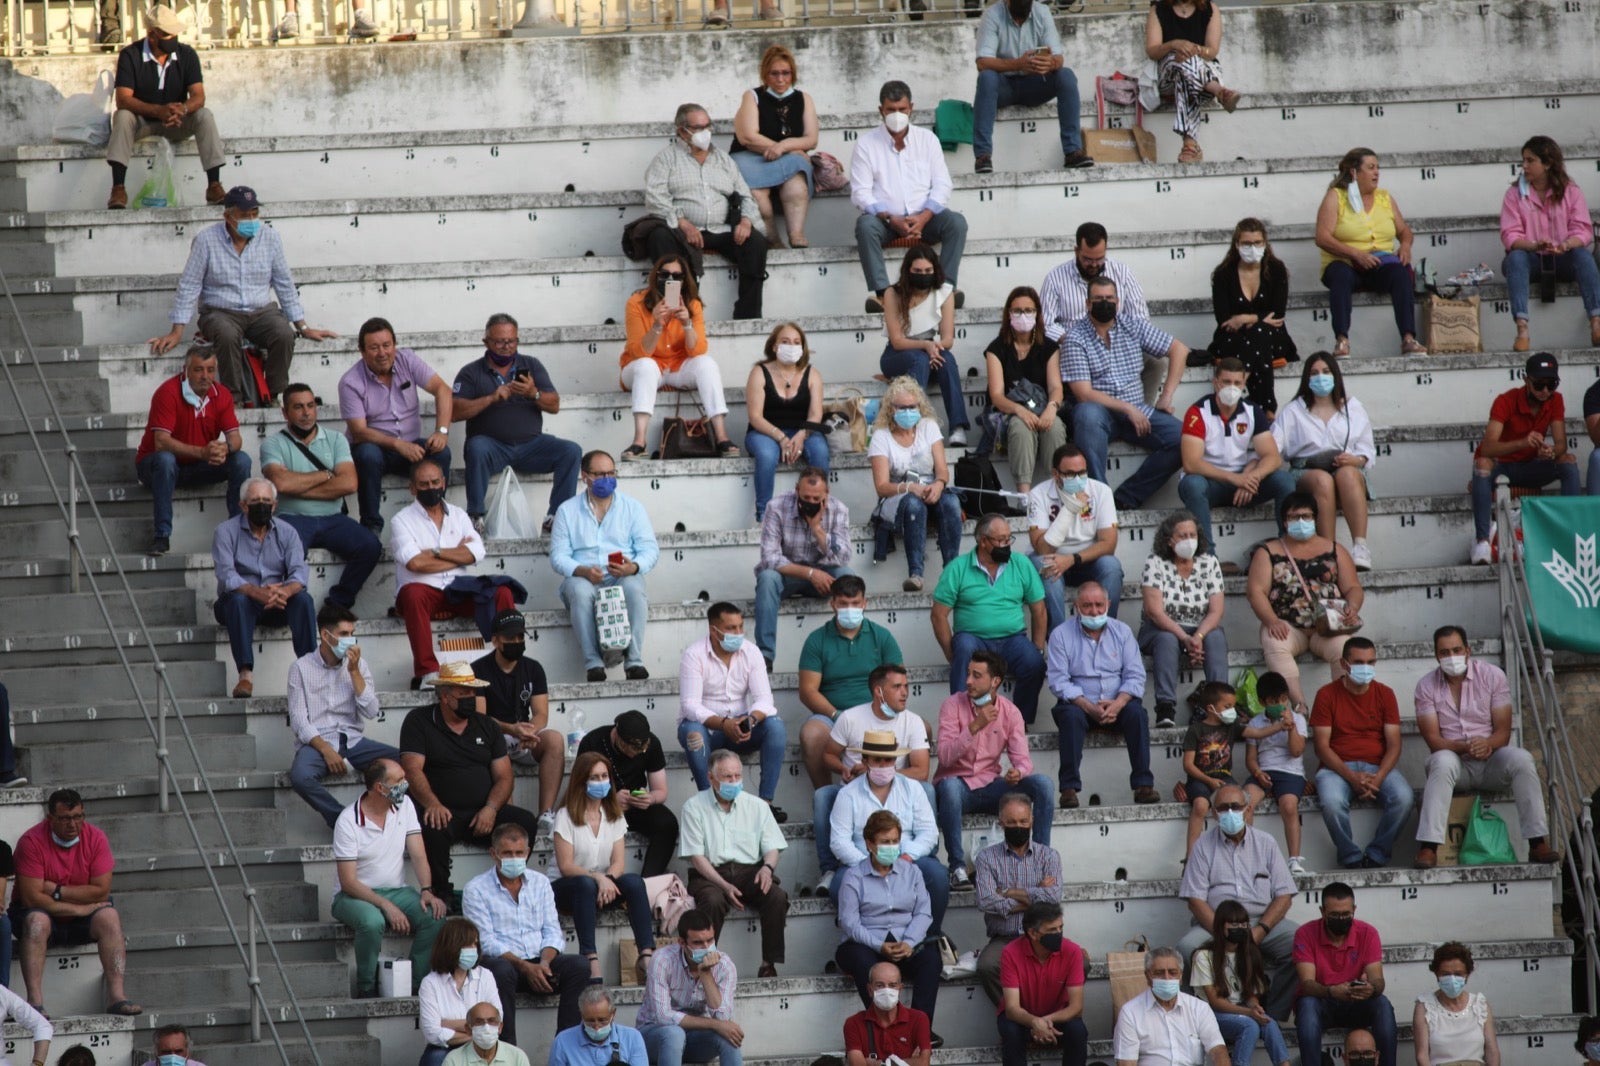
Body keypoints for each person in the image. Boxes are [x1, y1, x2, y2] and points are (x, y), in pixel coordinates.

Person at [147, 186, 336, 400]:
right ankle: (233, 398)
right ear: (228, 216)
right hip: (219, 312)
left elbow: (284, 283)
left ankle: (274, 394)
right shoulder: (206, 240)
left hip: (261, 312)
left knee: (283, 335)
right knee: (227, 336)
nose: (251, 220)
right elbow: (189, 285)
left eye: (255, 214)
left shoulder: (270, 238)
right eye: (245, 215)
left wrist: (302, 326)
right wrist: (176, 331)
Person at [1414, 625, 1557, 867]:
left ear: (1468, 650)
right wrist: (1465, 747)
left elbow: (1503, 731)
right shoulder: (1426, 686)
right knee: (1441, 760)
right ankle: (1428, 848)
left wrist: (1486, 744)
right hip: (1456, 764)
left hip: (1491, 760)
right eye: (1445, 652)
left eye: (1457, 649)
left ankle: (1537, 842)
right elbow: (1433, 740)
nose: (1451, 657)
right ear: (1437, 655)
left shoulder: (1493, 676)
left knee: (1522, 759)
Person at [399, 662, 540, 902]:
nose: (471, 698)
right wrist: (432, 803)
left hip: (482, 812)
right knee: (432, 823)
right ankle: (440, 895)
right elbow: (412, 770)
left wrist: (491, 808)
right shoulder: (418, 721)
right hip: (443, 811)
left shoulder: (487, 726)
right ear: (445, 696)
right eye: (464, 693)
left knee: (524, 821)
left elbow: (505, 776)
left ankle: (511, 885)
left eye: (473, 692)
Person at [1063, 276, 1191, 509]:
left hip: (1136, 411)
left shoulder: (1132, 325)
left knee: (1183, 440)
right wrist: (1128, 408)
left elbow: (1179, 350)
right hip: (1100, 412)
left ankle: (1125, 499)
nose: (1105, 303)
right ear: (1087, 304)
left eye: (1109, 298)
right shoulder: (1075, 337)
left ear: (1118, 301)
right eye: (1098, 299)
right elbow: (1083, 393)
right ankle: (1100, 501)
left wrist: (1166, 396)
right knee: (1086, 414)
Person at [1175, 783, 1299, 1018]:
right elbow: (1195, 900)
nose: (1230, 813)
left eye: (1235, 807)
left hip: (1261, 921)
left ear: (1248, 809)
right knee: (1186, 949)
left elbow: (1284, 895)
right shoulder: (1202, 846)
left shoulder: (1266, 843)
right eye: (1223, 808)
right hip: (1216, 924)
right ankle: (1198, 1019)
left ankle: (1273, 1014)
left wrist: (1260, 931)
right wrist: (1225, 933)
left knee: (1300, 944)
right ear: (1213, 813)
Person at [451, 313, 581, 535]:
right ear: (486, 342)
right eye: (499, 341)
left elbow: (555, 405)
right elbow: (454, 412)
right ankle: (475, 516)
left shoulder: (531, 365)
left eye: (511, 341)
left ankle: (555, 517)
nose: (506, 347)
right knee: (476, 446)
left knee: (571, 451)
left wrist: (534, 393)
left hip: (531, 446)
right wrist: (491, 398)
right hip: (493, 448)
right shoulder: (471, 372)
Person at [10, 789, 136, 1017]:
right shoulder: (31, 841)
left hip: (73, 915)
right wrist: (77, 907)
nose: (73, 824)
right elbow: (31, 897)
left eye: (78, 817)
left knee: (109, 916)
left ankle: (117, 997)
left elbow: (101, 890)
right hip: (39, 915)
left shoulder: (96, 837)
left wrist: (56, 890)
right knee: (37, 921)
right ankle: (35, 1002)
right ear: (50, 819)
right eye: (65, 818)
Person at [463, 823, 591, 1047]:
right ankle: (507, 1050)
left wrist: (543, 963)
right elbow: (485, 942)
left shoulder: (540, 883)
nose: (514, 858)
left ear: (528, 852)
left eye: (519, 853)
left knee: (579, 965)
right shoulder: (476, 889)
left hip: (540, 963)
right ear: (494, 854)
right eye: (507, 853)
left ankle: (566, 1047)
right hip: (506, 964)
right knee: (500, 971)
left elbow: (552, 930)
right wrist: (524, 966)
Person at [390, 460, 516, 688]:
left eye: (436, 482)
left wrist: (435, 553)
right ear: (412, 488)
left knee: (502, 592)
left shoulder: (458, 515)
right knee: (412, 594)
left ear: (444, 482)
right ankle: (428, 671)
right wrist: (457, 553)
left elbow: (476, 553)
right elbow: (415, 563)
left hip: (458, 590)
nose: (431, 488)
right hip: (424, 593)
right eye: (424, 484)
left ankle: (508, 660)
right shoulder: (401, 520)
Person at [934, 652, 1054, 887]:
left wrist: (1018, 772)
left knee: (1043, 784)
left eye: (976, 676)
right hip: (958, 786)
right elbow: (945, 757)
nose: (968, 680)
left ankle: (1040, 861)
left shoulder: (1010, 712)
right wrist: (975, 726)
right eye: (968, 674)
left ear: (995, 681)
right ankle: (957, 867)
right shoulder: (951, 706)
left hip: (992, 785)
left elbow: (1023, 760)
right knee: (948, 787)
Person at [330, 760, 446, 998]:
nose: (406, 784)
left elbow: (418, 853)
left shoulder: (405, 806)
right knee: (372, 922)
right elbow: (348, 882)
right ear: (380, 788)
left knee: (434, 916)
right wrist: (385, 905)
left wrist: (426, 889)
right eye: (399, 781)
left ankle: (416, 985)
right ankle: (367, 988)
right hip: (352, 895)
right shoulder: (347, 821)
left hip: (397, 891)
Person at [261, 383, 382, 607]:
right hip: (291, 518)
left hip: (333, 518)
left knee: (370, 546)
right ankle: (287, 608)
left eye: (310, 405)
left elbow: (349, 483)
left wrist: (299, 485)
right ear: (285, 412)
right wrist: (326, 474)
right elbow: (281, 483)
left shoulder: (336, 440)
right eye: (298, 407)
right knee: (285, 554)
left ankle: (338, 604)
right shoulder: (273, 443)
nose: (306, 412)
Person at [643, 105, 769, 321]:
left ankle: (748, 315)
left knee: (755, 243)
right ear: (682, 131)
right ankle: (675, 309)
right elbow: (655, 197)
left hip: (721, 229)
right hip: (683, 230)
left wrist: (747, 221)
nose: (705, 132)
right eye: (698, 127)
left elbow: (745, 195)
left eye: (707, 126)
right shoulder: (666, 159)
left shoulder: (723, 159)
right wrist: (682, 222)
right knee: (660, 238)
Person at [850, 80, 967, 310]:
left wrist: (923, 217)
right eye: (891, 110)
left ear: (911, 108)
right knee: (865, 226)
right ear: (880, 110)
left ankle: (945, 290)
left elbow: (943, 185)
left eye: (902, 109)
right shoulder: (866, 144)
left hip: (926, 218)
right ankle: (884, 295)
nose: (897, 115)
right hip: (885, 221)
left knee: (956, 223)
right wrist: (890, 218)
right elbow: (860, 193)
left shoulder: (928, 140)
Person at [814, 664, 932, 886]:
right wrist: (845, 769)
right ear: (879, 692)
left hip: (898, 786)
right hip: (853, 789)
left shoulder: (913, 721)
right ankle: (829, 870)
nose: (905, 692)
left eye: (906, 686)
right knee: (823, 796)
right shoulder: (850, 717)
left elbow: (922, 771)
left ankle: (925, 855)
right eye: (897, 687)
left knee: (926, 789)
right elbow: (829, 755)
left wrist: (882, 770)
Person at [1245, 491, 1364, 708]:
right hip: (1287, 625)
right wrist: (1271, 620)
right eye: (1294, 517)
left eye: (1306, 516)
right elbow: (1256, 592)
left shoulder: (1334, 549)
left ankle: (1342, 706)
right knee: (1274, 643)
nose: (1301, 521)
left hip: (1328, 626)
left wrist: (1352, 607)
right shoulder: (1268, 551)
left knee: (1345, 649)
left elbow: (1353, 587)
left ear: (1315, 518)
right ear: (1284, 520)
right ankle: (1300, 704)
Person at [337, 318, 454, 534]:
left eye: (387, 345)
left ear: (394, 345)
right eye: (374, 347)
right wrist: (398, 445)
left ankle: (437, 517)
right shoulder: (350, 381)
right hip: (375, 448)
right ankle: (371, 526)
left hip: (410, 448)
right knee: (367, 455)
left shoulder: (407, 359)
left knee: (441, 453)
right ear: (362, 351)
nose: (382, 352)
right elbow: (359, 432)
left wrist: (441, 431)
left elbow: (442, 389)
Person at [1046, 582, 1158, 808]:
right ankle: (1068, 789)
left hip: (1118, 702)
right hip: (1079, 705)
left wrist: (1119, 703)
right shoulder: (1060, 635)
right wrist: (1089, 707)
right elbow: (1058, 681)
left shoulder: (1122, 631)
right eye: (1087, 606)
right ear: (1076, 606)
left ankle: (1143, 785)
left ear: (1108, 604)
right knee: (1069, 716)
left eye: (1099, 605)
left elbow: (1135, 675)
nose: (1094, 611)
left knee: (1137, 714)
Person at [548, 752, 657, 984]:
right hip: (567, 887)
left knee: (634, 882)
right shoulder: (565, 815)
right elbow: (566, 866)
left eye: (604, 776)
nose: (601, 782)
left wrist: (607, 879)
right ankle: (589, 956)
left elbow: (618, 862)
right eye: (594, 777)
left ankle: (646, 955)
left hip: (600, 885)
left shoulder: (614, 815)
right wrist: (598, 878)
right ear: (581, 781)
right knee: (585, 883)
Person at [679, 751, 789, 978]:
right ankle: (705, 965)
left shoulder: (757, 806)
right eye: (727, 777)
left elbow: (772, 847)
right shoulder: (693, 807)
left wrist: (768, 868)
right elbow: (696, 857)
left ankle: (768, 963)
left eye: (737, 776)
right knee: (712, 900)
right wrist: (724, 885)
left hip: (749, 871)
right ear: (711, 778)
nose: (734, 782)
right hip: (710, 873)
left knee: (776, 896)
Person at [286, 602, 397, 828]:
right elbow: (299, 719)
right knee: (300, 776)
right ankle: (343, 821)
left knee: (408, 761)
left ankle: (395, 819)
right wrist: (326, 750)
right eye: (344, 634)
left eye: (352, 634)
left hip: (354, 741)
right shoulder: (300, 667)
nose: (350, 640)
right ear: (326, 635)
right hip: (318, 743)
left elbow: (372, 710)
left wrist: (354, 672)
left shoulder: (359, 665)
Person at [550, 450, 658, 682]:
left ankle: (634, 661)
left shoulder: (633, 508)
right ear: (585, 476)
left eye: (610, 473)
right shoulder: (567, 510)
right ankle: (593, 663)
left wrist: (634, 567)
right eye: (599, 475)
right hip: (584, 577)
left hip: (621, 574)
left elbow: (650, 549)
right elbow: (558, 556)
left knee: (635, 588)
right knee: (579, 590)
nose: (606, 479)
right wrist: (583, 571)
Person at [133, 346, 250, 556]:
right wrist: (203, 453)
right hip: (156, 466)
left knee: (241, 460)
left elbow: (235, 438)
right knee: (165, 460)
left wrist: (225, 447)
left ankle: (239, 533)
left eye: (210, 370)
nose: (205, 376)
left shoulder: (221, 394)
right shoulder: (168, 392)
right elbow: (161, 442)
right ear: (185, 370)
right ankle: (161, 535)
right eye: (198, 370)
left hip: (196, 466)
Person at [933, 513, 1048, 724]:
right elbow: (939, 615)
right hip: (973, 639)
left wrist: (1038, 648)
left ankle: (1019, 723)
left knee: (1035, 663)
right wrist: (953, 655)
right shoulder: (957, 568)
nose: (1007, 545)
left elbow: (1039, 609)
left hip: (1014, 639)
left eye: (1009, 538)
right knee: (965, 648)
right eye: (1001, 540)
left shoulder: (1021, 563)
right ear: (983, 541)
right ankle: (962, 723)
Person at [618, 256, 738, 459]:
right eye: (664, 274)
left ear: (684, 280)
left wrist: (687, 324)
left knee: (707, 364)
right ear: (655, 276)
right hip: (643, 368)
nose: (669, 279)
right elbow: (639, 352)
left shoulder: (693, 305)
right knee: (646, 365)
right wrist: (657, 324)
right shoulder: (636, 303)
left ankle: (721, 437)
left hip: (677, 368)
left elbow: (697, 351)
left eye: (676, 276)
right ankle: (639, 441)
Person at [828, 731, 947, 934]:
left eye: (889, 760)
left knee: (938, 875)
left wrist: (908, 857)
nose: (883, 765)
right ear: (864, 760)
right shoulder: (847, 794)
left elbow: (928, 833)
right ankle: (862, 939)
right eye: (877, 760)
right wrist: (868, 864)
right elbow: (839, 841)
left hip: (908, 859)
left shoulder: (913, 789)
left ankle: (930, 936)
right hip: (863, 860)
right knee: (839, 884)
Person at [107, 5, 225, 209]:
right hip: (142, 122)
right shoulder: (130, 54)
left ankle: (214, 185)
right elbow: (123, 99)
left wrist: (183, 109)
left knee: (204, 115)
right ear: (152, 35)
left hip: (176, 121)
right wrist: (157, 111)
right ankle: (118, 188)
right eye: (167, 34)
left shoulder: (187, 54)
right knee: (123, 115)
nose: (173, 38)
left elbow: (198, 96)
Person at [1469, 351, 1580, 565]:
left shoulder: (1555, 400)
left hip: (1530, 466)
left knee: (1568, 461)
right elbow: (1488, 448)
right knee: (1482, 465)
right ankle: (1482, 540)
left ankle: (1570, 534)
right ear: (1526, 380)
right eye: (1539, 385)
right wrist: (1522, 442)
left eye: (1551, 385)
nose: (1545, 391)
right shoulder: (1505, 401)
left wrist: (1551, 452)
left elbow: (1561, 444)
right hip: (1502, 466)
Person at [835, 811, 942, 1032]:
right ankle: (882, 1027)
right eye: (885, 842)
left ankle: (920, 1030)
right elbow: (850, 922)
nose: (891, 847)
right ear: (869, 843)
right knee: (861, 961)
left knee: (931, 959)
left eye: (895, 841)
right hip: (866, 944)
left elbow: (924, 913)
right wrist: (878, 945)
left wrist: (910, 942)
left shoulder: (912, 872)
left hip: (905, 943)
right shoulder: (854, 877)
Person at [1178, 357, 1295, 559]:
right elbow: (1191, 463)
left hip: (1245, 484)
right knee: (1192, 484)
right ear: (1216, 383)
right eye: (1226, 382)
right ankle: (1207, 557)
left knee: (1284, 480)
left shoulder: (1252, 411)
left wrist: (1252, 477)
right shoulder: (1198, 412)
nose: (1231, 388)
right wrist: (1235, 479)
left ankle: (1290, 547)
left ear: (1244, 384)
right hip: (1210, 484)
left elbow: (1273, 457)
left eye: (1237, 383)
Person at [679, 602, 788, 819]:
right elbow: (690, 705)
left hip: (741, 727)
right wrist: (723, 723)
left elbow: (765, 699)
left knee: (775, 725)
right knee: (693, 731)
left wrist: (750, 720)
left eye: (740, 627)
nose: (738, 633)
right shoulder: (694, 655)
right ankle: (708, 804)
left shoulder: (751, 651)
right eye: (731, 628)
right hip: (709, 729)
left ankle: (765, 805)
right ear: (713, 630)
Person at [1314, 147, 1426, 357]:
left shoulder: (1385, 197)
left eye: (1378, 168)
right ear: (1354, 172)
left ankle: (1408, 338)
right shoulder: (1336, 196)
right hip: (1344, 263)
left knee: (1401, 273)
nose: (1377, 173)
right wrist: (1355, 254)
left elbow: (1404, 231)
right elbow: (1322, 237)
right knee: (1340, 276)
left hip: (1379, 263)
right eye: (1371, 168)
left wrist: (1405, 246)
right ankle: (1342, 340)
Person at [1313, 638, 1413, 869]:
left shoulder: (1385, 694)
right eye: (1358, 662)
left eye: (1371, 662)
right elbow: (1321, 747)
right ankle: (1350, 857)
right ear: (1344, 664)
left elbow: (1394, 745)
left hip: (1378, 766)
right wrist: (1352, 777)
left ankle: (1377, 855)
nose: (1365, 667)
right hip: (1336, 769)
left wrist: (1377, 777)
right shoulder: (1326, 695)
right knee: (1332, 801)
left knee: (1404, 798)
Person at [1270, 354, 1376, 571]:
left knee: (1347, 474)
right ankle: (1328, 550)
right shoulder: (1293, 410)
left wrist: (1355, 459)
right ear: (1307, 379)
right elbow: (1274, 446)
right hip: (1307, 471)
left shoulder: (1353, 408)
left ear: (1335, 375)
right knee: (1322, 480)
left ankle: (1360, 547)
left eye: (1326, 372)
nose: (1321, 378)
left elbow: (1367, 450)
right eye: (1315, 373)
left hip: (1345, 468)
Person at [212, 477, 315, 697]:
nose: (262, 505)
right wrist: (255, 592)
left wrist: (284, 591)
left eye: (266, 500)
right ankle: (245, 676)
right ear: (243, 505)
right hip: (240, 602)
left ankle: (311, 672)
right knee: (237, 600)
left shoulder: (288, 532)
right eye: (256, 500)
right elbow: (226, 575)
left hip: (276, 600)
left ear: (275, 505)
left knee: (304, 600)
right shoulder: (225, 531)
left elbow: (299, 572)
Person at [797, 576, 904, 788]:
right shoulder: (817, 640)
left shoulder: (882, 637)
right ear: (833, 604)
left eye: (855, 603)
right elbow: (808, 691)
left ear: (865, 603)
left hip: (876, 712)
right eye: (843, 604)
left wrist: (879, 714)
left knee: (924, 729)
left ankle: (901, 794)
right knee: (811, 735)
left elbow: (897, 683)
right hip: (832, 714)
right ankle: (825, 796)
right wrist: (838, 716)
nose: (850, 609)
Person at [1501, 135, 1600, 353]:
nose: (1524, 166)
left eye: (1530, 160)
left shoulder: (1571, 191)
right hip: (1532, 259)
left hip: (1563, 257)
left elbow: (1582, 231)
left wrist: (1565, 245)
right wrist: (1534, 245)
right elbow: (1510, 235)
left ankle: (1596, 322)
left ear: (1547, 163)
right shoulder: (1514, 194)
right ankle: (1522, 329)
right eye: (1523, 160)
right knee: (1515, 258)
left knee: (1583, 256)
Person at [868, 376, 963, 592]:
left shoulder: (928, 427)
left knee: (951, 503)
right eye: (903, 407)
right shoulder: (881, 436)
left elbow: (942, 471)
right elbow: (882, 486)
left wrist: (938, 486)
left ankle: (951, 571)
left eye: (913, 406)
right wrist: (910, 488)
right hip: (897, 494)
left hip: (930, 487)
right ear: (891, 409)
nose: (909, 411)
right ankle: (916, 574)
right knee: (913, 504)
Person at [972, 0, 1090, 173]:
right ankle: (983, 156)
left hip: (1035, 84)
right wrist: (1018, 64)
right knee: (987, 77)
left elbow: (1059, 58)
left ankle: (1073, 152)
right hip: (1003, 87)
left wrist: (1050, 63)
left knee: (1066, 75)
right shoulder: (992, 15)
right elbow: (982, 62)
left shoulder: (1041, 12)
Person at [754, 467, 855, 667]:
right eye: (805, 497)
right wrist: (810, 574)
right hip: (788, 575)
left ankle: (849, 646)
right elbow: (769, 558)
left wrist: (817, 529)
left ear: (826, 494)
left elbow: (843, 556)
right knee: (767, 579)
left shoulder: (839, 510)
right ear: (796, 490)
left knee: (846, 576)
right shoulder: (776, 507)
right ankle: (764, 657)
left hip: (824, 575)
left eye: (816, 499)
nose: (810, 503)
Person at [470, 610, 564, 822]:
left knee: (555, 740)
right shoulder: (477, 669)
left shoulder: (533, 668)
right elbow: (480, 718)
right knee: (490, 744)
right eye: (510, 638)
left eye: (520, 637)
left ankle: (546, 814)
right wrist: (511, 729)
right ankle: (510, 818)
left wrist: (530, 731)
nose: (517, 641)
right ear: (495, 641)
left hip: (523, 735)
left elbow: (541, 713)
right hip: (493, 735)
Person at [1292, 882, 1397, 1066]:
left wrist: (1370, 989)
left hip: (1356, 1002)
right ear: (1322, 911)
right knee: (1307, 1005)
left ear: (1354, 910)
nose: (1341, 919)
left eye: (1346, 914)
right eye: (1334, 914)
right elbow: (1307, 984)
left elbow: (1378, 980)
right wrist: (1332, 991)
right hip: (1322, 1003)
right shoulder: (1305, 933)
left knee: (1382, 1004)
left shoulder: (1368, 933)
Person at [1138, 510, 1227, 728]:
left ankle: (1219, 704)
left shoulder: (1209, 562)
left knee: (1215, 638)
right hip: (1161, 628)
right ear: (1169, 541)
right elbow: (1154, 611)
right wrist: (1184, 637)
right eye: (1182, 536)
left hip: (1200, 627)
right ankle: (1165, 707)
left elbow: (1216, 610)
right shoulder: (1155, 562)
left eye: (1192, 535)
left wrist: (1197, 636)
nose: (1189, 540)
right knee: (1167, 639)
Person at [973, 794, 1062, 1003]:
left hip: (1043, 934)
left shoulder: (1049, 856)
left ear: (1031, 821)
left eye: (1023, 821)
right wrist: (1036, 894)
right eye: (1011, 822)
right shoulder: (986, 858)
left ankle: (1048, 1015)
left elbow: (1053, 899)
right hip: (1004, 938)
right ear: (1001, 822)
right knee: (987, 966)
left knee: (1080, 964)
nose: (1018, 826)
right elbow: (985, 901)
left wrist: (1008, 892)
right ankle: (1016, 1015)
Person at [880, 246, 970, 446]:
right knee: (919, 358)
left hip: (930, 350)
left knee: (947, 359)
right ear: (908, 271)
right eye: (918, 272)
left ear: (935, 270)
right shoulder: (892, 293)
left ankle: (958, 427)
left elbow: (948, 339)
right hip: (896, 354)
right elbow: (897, 340)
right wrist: (925, 346)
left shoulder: (945, 293)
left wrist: (933, 347)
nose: (923, 276)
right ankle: (915, 424)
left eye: (928, 271)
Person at [1027, 443, 1122, 632]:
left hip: (1086, 560)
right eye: (1070, 474)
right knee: (1047, 566)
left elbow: (1109, 544)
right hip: (1052, 557)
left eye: (1082, 472)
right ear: (1056, 474)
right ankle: (1059, 641)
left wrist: (1071, 559)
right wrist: (1070, 509)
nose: (1078, 479)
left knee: (1111, 566)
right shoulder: (1038, 494)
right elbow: (1043, 548)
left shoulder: (1101, 491)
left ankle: (1104, 635)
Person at [730, 46, 818, 248]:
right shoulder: (752, 96)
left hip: (787, 159)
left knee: (796, 187)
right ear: (765, 75)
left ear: (792, 74)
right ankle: (773, 240)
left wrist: (785, 146)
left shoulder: (804, 99)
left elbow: (811, 139)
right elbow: (749, 137)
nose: (780, 79)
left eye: (785, 73)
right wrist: (787, 149)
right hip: (751, 157)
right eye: (774, 73)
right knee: (758, 196)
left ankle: (796, 234)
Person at [1208, 219, 1296, 413]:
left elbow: (1278, 314)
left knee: (1260, 333)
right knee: (1258, 335)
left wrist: (1245, 319)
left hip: (1273, 336)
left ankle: (1239, 392)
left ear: (1265, 243)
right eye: (1247, 243)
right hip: (1231, 337)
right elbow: (1223, 319)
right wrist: (1259, 319)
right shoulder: (1223, 274)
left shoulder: (1276, 270)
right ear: (1237, 244)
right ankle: (1267, 409)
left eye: (1257, 243)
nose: (1253, 248)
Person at [636, 909, 744, 1066]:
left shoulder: (725, 966)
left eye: (710, 940)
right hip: (655, 1035)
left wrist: (705, 974)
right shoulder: (662, 960)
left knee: (729, 1036)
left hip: (694, 1039)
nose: (706, 947)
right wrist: (715, 1025)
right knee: (674, 1033)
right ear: (681, 942)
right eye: (698, 943)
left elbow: (723, 1018)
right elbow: (663, 1016)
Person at [578, 710, 678, 878]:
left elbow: (660, 790)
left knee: (667, 824)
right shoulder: (593, 742)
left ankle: (649, 881)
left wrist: (650, 798)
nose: (636, 753)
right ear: (617, 735)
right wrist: (609, 801)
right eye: (632, 748)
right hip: (598, 807)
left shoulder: (651, 744)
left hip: (635, 806)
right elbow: (578, 789)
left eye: (642, 749)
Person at [745, 323, 829, 522]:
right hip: (764, 432)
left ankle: (819, 509)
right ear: (774, 346)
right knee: (766, 455)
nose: (791, 346)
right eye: (785, 341)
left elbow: (815, 414)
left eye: (796, 342)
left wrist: (801, 434)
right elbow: (755, 416)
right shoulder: (759, 372)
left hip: (803, 431)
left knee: (820, 451)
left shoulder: (812, 374)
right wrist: (781, 438)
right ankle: (763, 516)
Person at [1189, 901, 1290, 1066]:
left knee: (1269, 1023)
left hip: (1241, 1010)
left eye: (1244, 924)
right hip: (1210, 1015)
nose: (1240, 928)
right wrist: (1248, 1013)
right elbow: (1215, 1002)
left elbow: (1250, 994)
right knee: (1249, 1025)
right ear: (1221, 926)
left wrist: (1255, 1007)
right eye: (1234, 924)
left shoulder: (1249, 954)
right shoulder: (1203, 956)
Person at [1180, 683, 1276, 856]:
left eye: (1233, 706)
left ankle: (1244, 851)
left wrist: (1280, 726)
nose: (1232, 710)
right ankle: (1190, 856)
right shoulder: (1196, 730)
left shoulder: (1231, 727)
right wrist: (1209, 781)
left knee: (1243, 804)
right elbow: (1188, 765)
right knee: (1201, 805)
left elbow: (1258, 733)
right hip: (1200, 779)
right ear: (1211, 708)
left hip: (1225, 778)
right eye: (1227, 706)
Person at [987, 287, 1067, 493]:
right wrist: (1019, 410)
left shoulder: (1049, 347)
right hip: (1011, 411)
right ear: (1008, 314)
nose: (1023, 315)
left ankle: (1056, 491)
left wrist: (1052, 407)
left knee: (1055, 426)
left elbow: (1056, 387)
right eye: (1017, 311)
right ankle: (1025, 496)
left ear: (1038, 313)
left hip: (1043, 407)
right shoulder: (997, 349)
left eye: (1029, 310)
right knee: (1021, 427)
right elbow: (996, 395)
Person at [1144, 0, 1241, 163]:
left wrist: (1193, 50)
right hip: (1168, 77)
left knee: (1187, 68)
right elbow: (1152, 51)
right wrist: (1174, 44)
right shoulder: (1158, 10)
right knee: (1181, 64)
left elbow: (1211, 51)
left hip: (1196, 75)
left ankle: (1190, 145)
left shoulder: (1210, 9)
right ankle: (1219, 91)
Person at [998, 902, 1088, 1066]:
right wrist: (1034, 1022)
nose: (1059, 933)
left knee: (1078, 1031)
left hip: (1058, 1017)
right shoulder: (1010, 953)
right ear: (1032, 933)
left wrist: (1043, 1021)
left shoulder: (1072, 951)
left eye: (1061, 927)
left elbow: (1076, 1008)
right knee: (1010, 1031)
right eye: (1052, 930)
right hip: (1022, 1019)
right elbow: (1012, 1008)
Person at [1242, 671, 1312, 876]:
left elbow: (1297, 751)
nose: (1281, 704)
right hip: (1264, 771)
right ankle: (1248, 857)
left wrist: (1290, 728)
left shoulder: (1298, 720)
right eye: (1275, 701)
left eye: (1283, 699)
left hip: (1290, 772)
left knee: (1289, 806)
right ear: (1263, 702)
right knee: (1245, 802)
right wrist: (1257, 772)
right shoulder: (1255, 723)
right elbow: (1250, 758)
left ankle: (1294, 859)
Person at [1112, 946, 1228, 1066]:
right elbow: (1126, 1063)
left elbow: (1218, 1052)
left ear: (1181, 976)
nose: (1167, 978)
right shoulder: (1130, 1012)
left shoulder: (1199, 1008)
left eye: (1172, 973)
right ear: (1148, 977)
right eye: (1159, 973)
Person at [1040, 222, 1150, 339]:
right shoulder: (1055, 278)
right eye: (1087, 259)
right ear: (1076, 251)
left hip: (1118, 343)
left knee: (1161, 357)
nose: (1094, 265)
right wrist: (1071, 341)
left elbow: (1140, 319)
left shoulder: (1122, 273)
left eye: (1099, 259)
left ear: (1105, 250)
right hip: (1072, 346)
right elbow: (1045, 324)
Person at [418, 918, 502, 1066]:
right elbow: (433, 1032)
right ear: (452, 946)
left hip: (482, 1047)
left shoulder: (486, 976)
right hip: (446, 1048)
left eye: (475, 943)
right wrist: (479, 1032)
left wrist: (447, 1023)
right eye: (468, 944)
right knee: (436, 1059)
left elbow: (497, 1019)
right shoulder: (430, 983)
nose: (473, 948)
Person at [1414, 942, 1499, 1066]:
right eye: (1446, 974)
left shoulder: (1479, 1005)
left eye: (1458, 974)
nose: (1452, 979)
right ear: (1437, 975)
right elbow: (1422, 1056)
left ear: (1467, 975)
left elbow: (1492, 1051)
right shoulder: (1425, 1006)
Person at [843, 961, 933, 1066]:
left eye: (892, 985)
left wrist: (878, 1063)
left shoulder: (919, 1019)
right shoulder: (854, 1023)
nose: (886, 990)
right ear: (869, 989)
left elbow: (923, 1063)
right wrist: (905, 1063)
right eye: (880, 985)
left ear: (900, 989)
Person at [548, 987, 647, 1066]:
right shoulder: (563, 1041)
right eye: (590, 1021)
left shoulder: (632, 1038)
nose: (596, 1027)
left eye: (602, 1020)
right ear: (582, 1015)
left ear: (613, 1014)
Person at [444, 1002, 530, 1066]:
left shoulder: (517, 1057)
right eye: (479, 1022)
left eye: (491, 1021)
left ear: (500, 1027)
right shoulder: (453, 1060)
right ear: (468, 1029)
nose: (486, 1027)